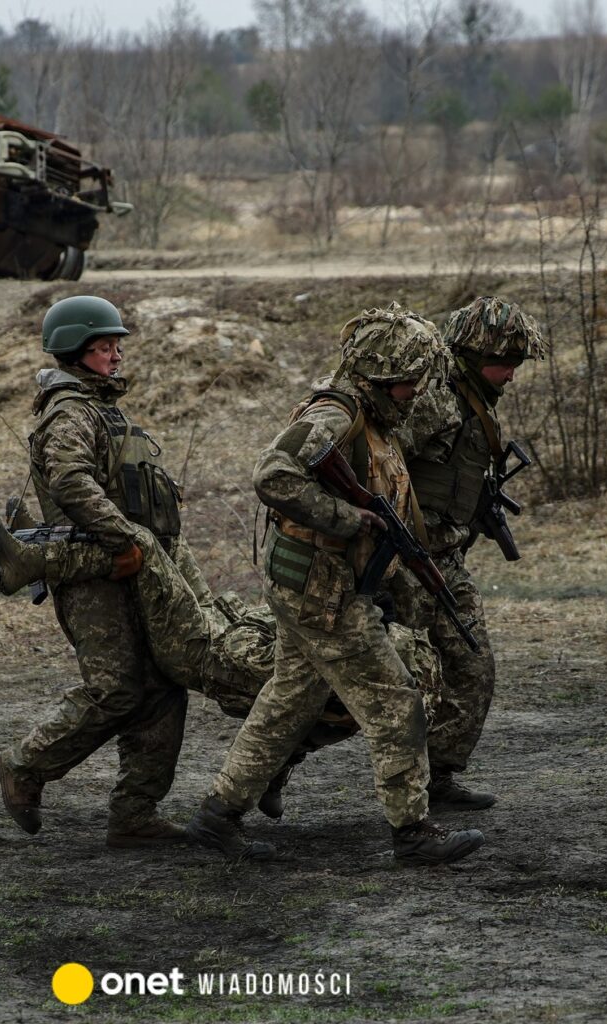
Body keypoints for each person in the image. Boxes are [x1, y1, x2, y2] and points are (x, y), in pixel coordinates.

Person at [187, 304, 485, 865]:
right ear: (379, 376)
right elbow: (271, 474)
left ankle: (216, 817)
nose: (414, 392)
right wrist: (347, 519)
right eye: (406, 382)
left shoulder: (371, 419)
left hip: (315, 586)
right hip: (323, 593)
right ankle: (413, 831)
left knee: (287, 703)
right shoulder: (334, 416)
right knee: (397, 701)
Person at [0, 512, 445, 819]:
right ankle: (44, 532)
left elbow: (272, 689)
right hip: (222, 619)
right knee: (162, 531)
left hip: (196, 645)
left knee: (142, 544)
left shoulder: (337, 668)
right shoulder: (361, 661)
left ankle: (36, 558)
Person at [0, 295, 193, 849]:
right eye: (104, 347)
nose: (115, 354)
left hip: (125, 568)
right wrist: (127, 538)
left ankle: (135, 813)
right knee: (116, 691)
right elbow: (70, 482)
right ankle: (23, 766)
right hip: (90, 574)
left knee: (162, 687)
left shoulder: (100, 406)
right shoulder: (70, 411)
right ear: (75, 353)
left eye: (116, 345)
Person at [404, 296, 547, 810]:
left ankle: (437, 777)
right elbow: (375, 463)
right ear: (470, 352)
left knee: (471, 666)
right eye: (505, 362)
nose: (511, 374)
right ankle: (267, 774)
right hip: (398, 562)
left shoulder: (474, 402)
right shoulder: (432, 402)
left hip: (442, 560)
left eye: (518, 364)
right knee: (354, 679)